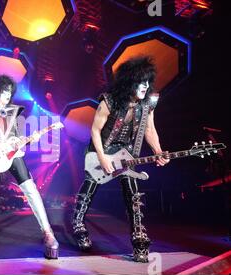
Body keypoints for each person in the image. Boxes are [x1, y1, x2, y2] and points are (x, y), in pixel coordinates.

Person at [72, 56, 169, 263]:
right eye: (140, 81)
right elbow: (95, 131)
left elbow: (150, 130)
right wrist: (102, 157)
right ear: (129, 82)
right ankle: (78, 222)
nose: (144, 86)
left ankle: (139, 239)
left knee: (133, 194)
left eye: (147, 81)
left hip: (126, 152)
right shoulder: (109, 101)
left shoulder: (147, 104)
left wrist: (159, 151)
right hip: (101, 150)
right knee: (91, 185)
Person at [0, 75, 59, 259]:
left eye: (9, 92)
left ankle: (48, 232)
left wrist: (25, 139)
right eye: (3, 91)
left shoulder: (13, 111)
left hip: (11, 152)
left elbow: (16, 137)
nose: (6, 96)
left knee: (30, 187)